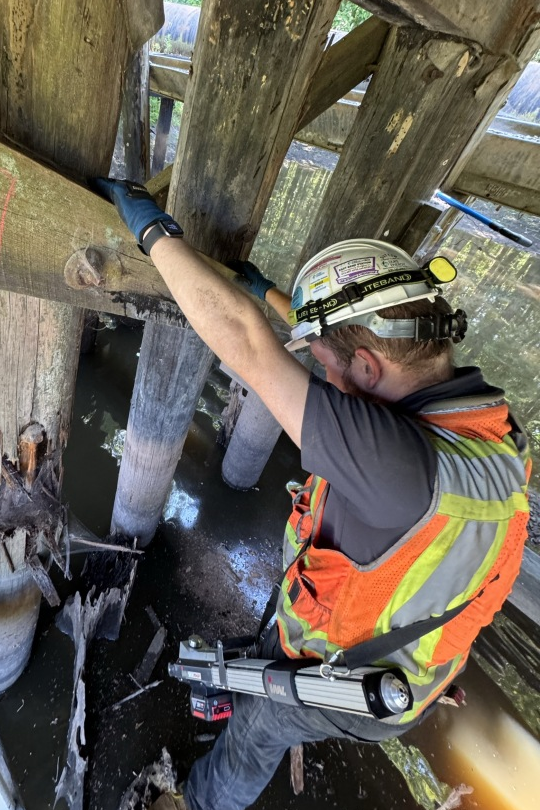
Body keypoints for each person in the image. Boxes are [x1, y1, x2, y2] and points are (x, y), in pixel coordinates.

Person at [91, 179, 532, 810]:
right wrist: (265, 291)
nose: (320, 383)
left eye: (325, 369)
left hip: (358, 681)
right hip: (419, 664)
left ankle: (198, 802)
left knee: (261, 726)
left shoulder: (398, 469)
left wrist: (155, 232)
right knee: (264, 676)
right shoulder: (492, 426)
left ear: (372, 369)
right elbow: (337, 339)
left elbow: (243, 341)